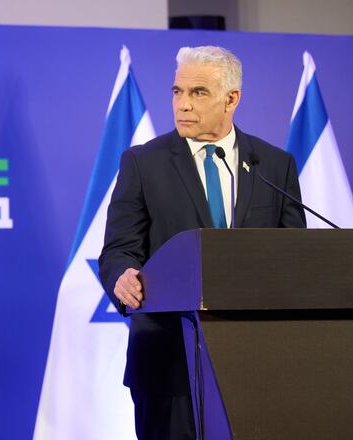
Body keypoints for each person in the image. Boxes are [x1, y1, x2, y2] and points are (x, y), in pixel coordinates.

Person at [98, 46, 306, 439]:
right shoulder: (143, 163)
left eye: (198, 93)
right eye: (177, 92)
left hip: (258, 364)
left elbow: (294, 257)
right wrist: (122, 276)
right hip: (168, 364)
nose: (183, 105)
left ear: (232, 99)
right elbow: (118, 248)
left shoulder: (275, 166)